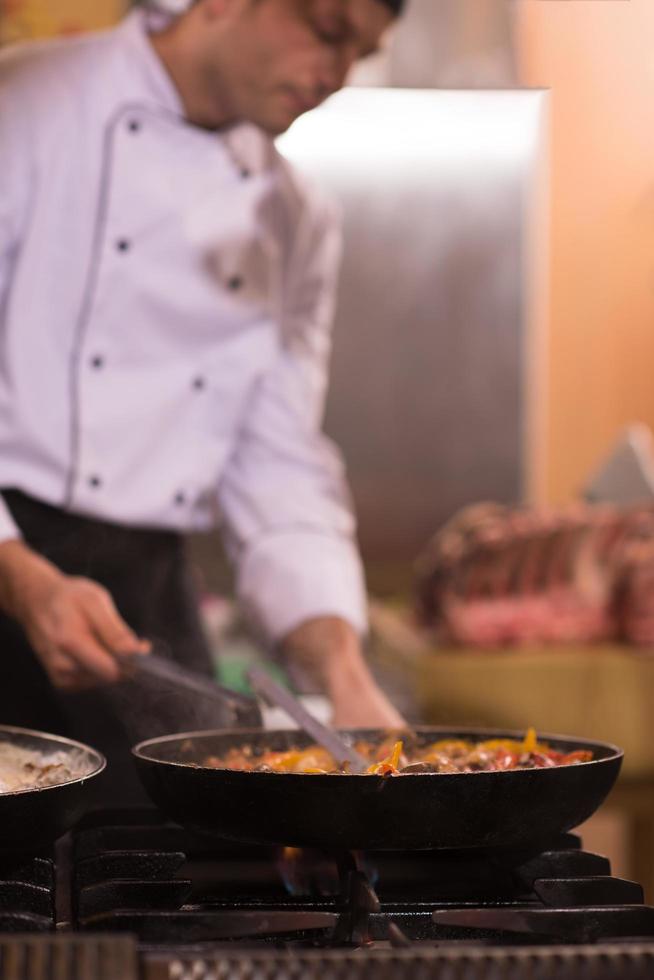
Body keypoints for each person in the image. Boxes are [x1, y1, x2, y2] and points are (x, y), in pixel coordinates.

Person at [0, 0, 405, 798]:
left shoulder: (297, 217)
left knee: (170, 879)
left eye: (361, 50)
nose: (338, 75)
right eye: (328, 29)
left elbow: (279, 458)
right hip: (9, 562)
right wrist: (22, 579)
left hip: (146, 606)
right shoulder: (23, 108)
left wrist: (343, 670)